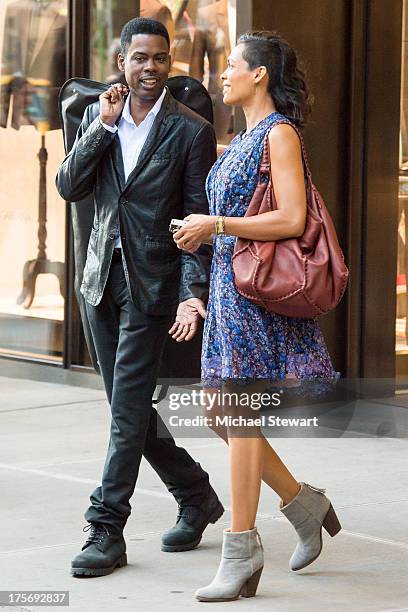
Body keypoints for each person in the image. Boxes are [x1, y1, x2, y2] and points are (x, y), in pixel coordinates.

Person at [173, 30, 342, 602]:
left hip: (254, 302)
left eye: (232, 65)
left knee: (239, 415)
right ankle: (303, 503)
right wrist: (202, 232)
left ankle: (240, 548)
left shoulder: (280, 134)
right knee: (222, 414)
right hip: (226, 295)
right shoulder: (240, 138)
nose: (223, 73)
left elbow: (293, 219)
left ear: (260, 75)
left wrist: (215, 225)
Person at [56, 17, 223, 578]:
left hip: (152, 287)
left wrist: (191, 293)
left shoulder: (191, 130)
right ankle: (196, 493)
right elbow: (69, 186)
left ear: (169, 62)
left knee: (127, 413)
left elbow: (195, 217)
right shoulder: (95, 116)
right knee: (127, 411)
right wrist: (101, 128)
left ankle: (106, 528)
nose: (150, 68)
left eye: (160, 58)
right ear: (122, 62)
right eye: (140, 58)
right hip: (100, 279)